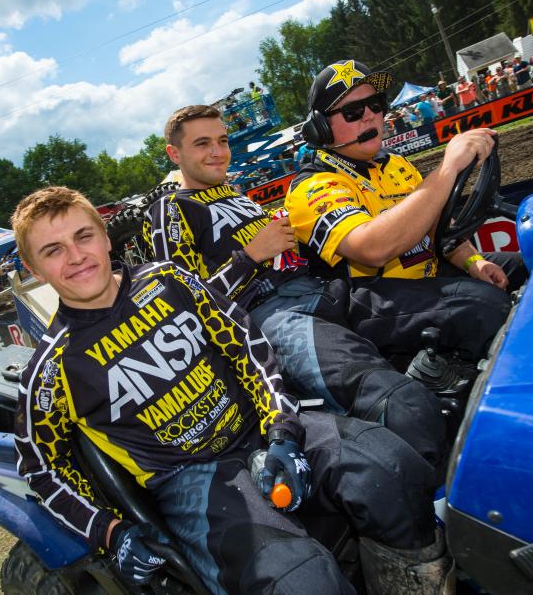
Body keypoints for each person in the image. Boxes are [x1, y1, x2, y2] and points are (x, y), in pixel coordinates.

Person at [13, 186, 452, 595]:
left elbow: (246, 344)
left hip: (262, 429)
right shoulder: (51, 370)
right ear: (34, 270)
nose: (76, 256)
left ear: (105, 237)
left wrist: (282, 427)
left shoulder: (170, 281)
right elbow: (39, 466)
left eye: (83, 236)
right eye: (53, 250)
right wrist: (109, 532)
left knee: (392, 469)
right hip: (193, 481)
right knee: (302, 583)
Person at [146, 103, 446, 480]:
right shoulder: (170, 208)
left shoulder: (234, 193)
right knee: (400, 400)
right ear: (175, 154)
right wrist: (252, 255)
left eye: (222, 140)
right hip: (272, 316)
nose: (218, 151)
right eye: (202, 143)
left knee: (459, 311)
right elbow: (182, 309)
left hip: (324, 291)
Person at [284, 60, 526, 371]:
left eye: (375, 104)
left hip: (427, 277)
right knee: (484, 305)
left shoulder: (395, 163)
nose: (370, 115)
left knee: (531, 264)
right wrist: (447, 168)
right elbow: (372, 248)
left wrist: (472, 261)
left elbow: (440, 225)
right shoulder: (313, 185)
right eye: (353, 112)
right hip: (371, 301)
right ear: (321, 128)